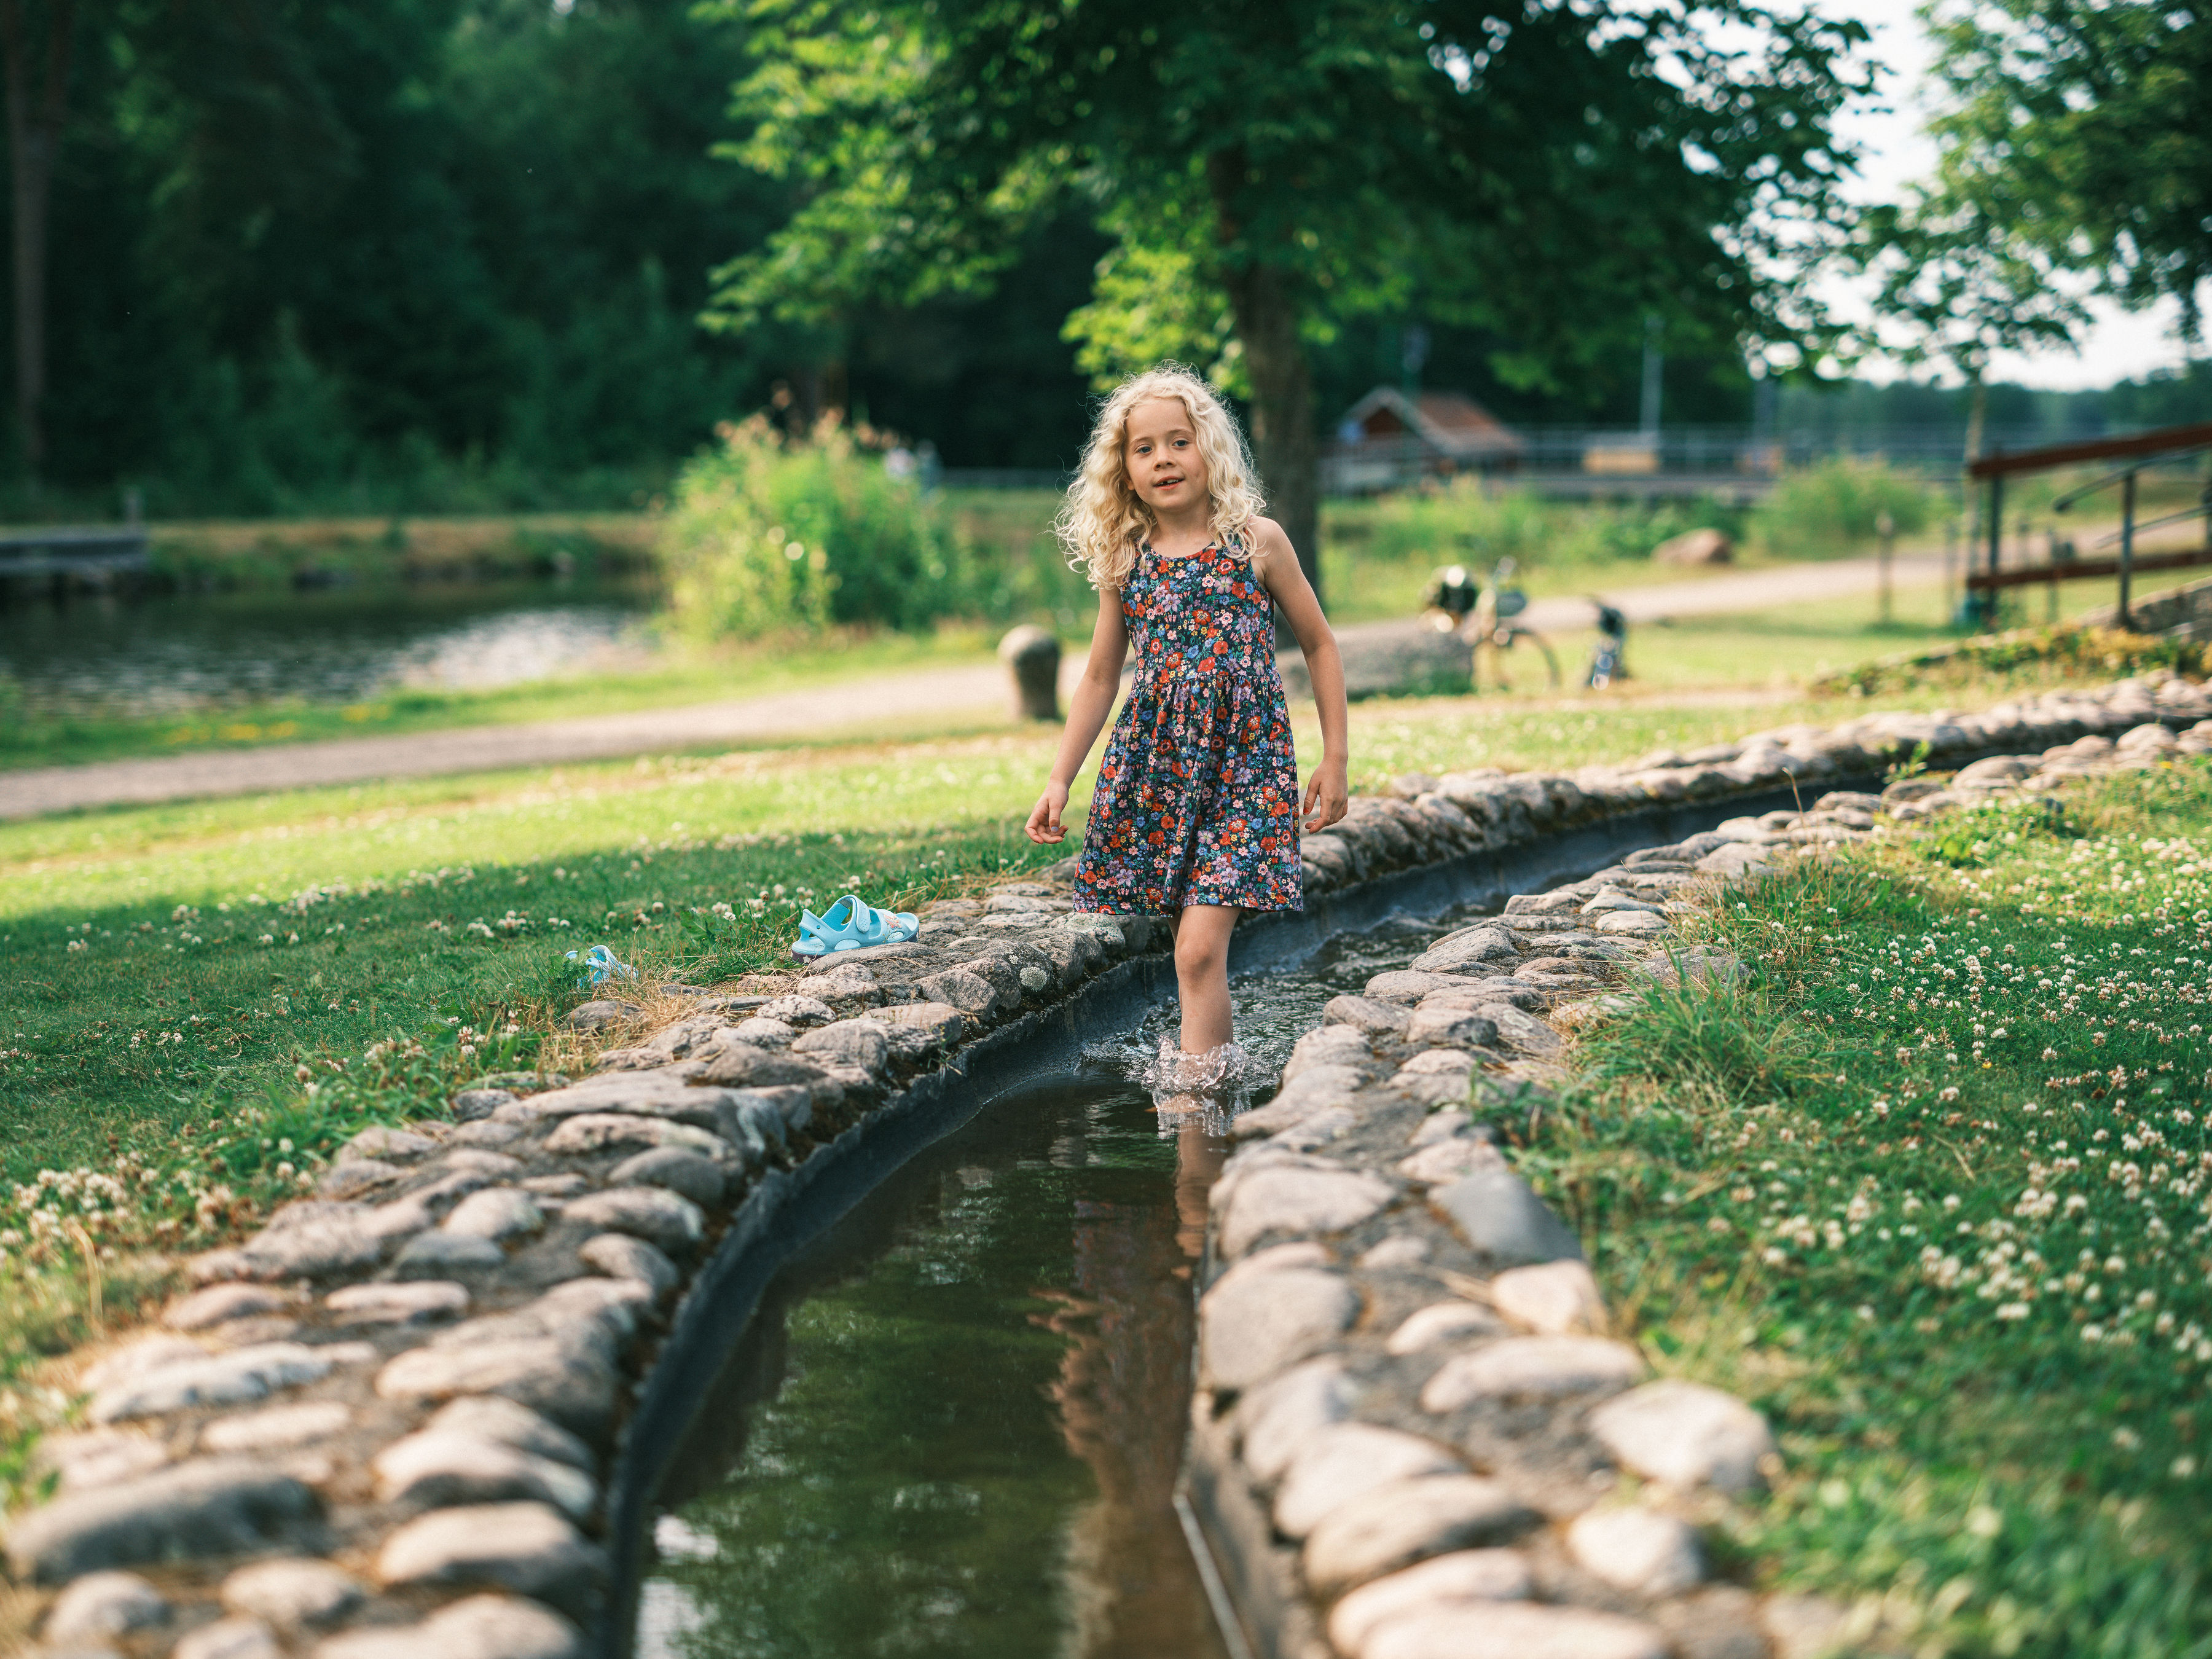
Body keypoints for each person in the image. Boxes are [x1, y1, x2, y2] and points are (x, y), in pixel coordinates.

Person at [1024, 364, 1349, 1111]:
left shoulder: (1255, 543)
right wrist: (1058, 779)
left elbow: (1321, 644)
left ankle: (1195, 1112)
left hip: (1247, 769)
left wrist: (1334, 758)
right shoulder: (1126, 562)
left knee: (1199, 948)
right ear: (1124, 471)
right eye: (1145, 449)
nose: (1164, 458)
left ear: (1211, 451)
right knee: (1192, 951)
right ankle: (1216, 1098)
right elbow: (1101, 678)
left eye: (1180, 441)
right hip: (1160, 774)